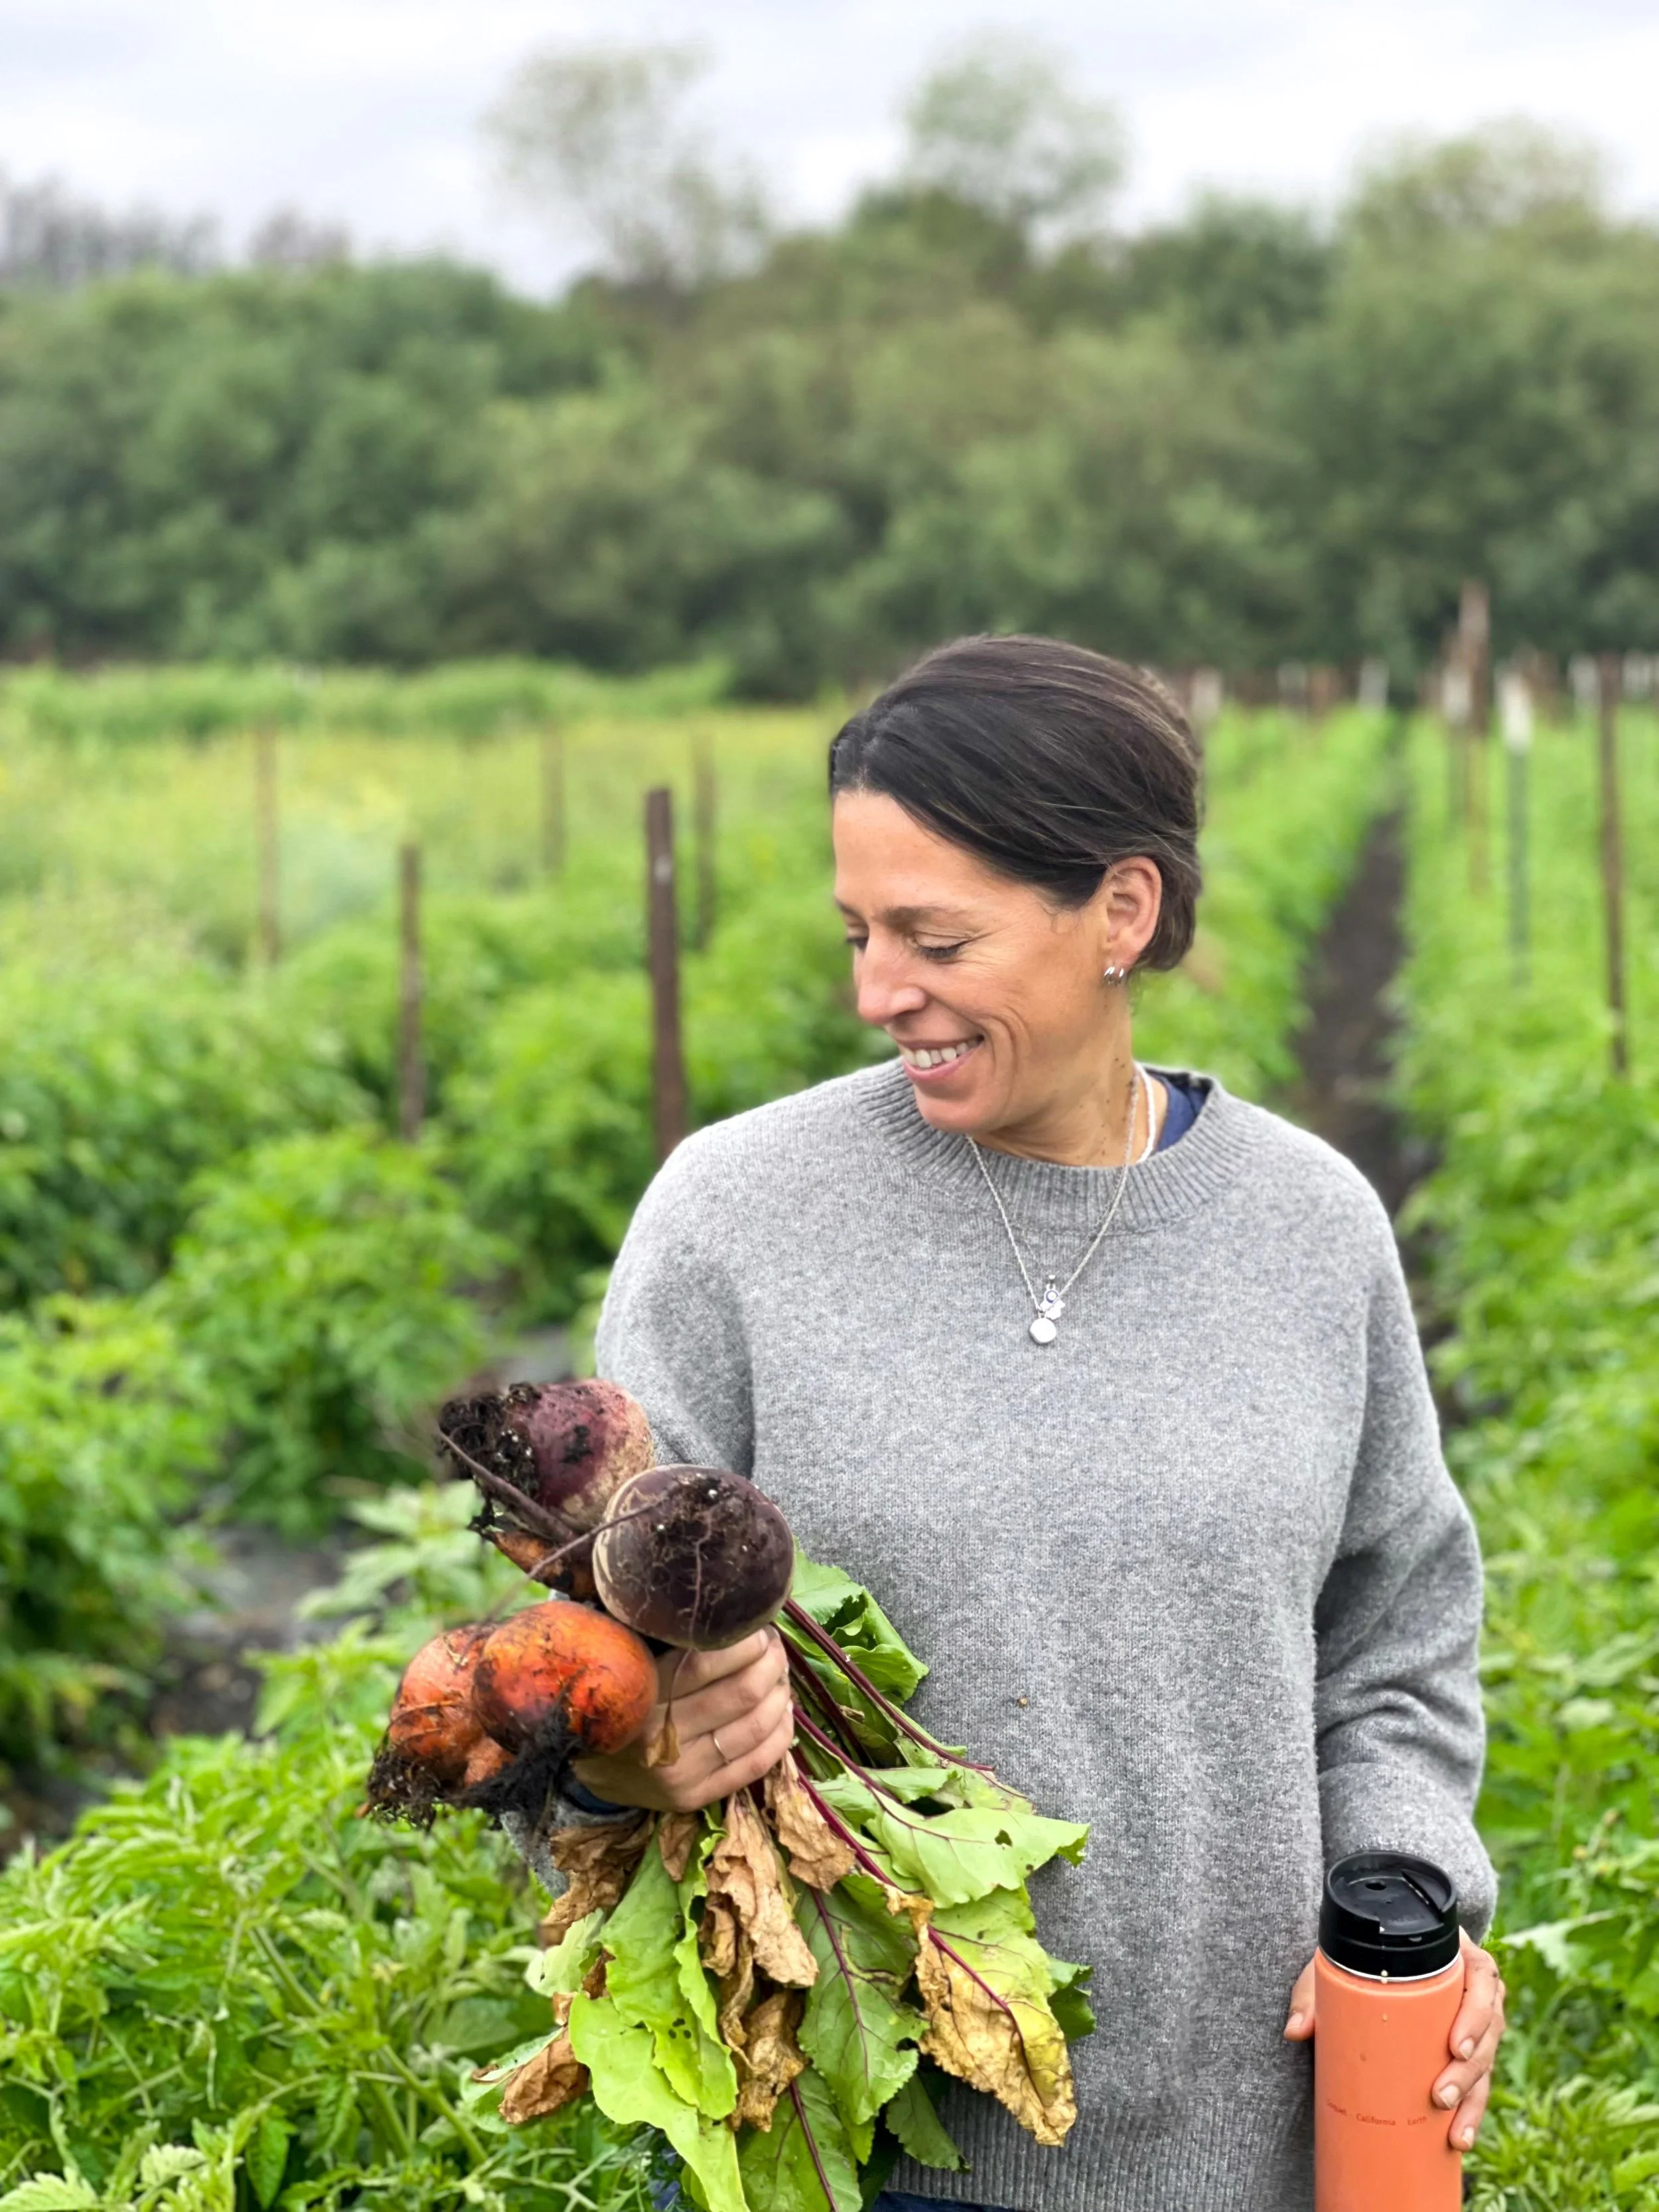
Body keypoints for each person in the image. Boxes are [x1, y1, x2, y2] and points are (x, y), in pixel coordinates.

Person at [567, 635, 1505, 2212]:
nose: (878, 992)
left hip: (1243, 2149)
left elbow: (1393, 1638)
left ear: (1119, 913)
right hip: (843, 2143)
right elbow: (583, 1639)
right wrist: (628, 1760)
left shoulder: (1305, 1227)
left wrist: (1412, 1901)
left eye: (934, 936)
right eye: (859, 932)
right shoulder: (736, 1220)